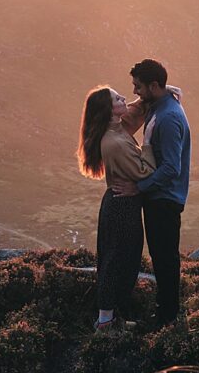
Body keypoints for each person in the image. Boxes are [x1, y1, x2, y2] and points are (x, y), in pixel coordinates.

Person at [77, 81, 183, 334]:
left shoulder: (117, 128)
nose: (124, 98)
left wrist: (161, 90)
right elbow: (147, 171)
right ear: (109, 110)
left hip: (121, 204)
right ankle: (105, 323)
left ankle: (114, 318)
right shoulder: (115, 142)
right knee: (117, 262)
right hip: (122, 206)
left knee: (123, 260)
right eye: (117, 99)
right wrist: (147, 141)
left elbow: (135, 110)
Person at [117, 58, 190, 329]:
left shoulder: (169, 118)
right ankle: (166, 314)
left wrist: (139, 187)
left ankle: (168, 318)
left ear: (154, 85)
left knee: (165, 259)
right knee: (162, 258)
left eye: (138, 87)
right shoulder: (160, 105)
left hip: (164, 198)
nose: (135, 92)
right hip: (159, 197)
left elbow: (172, 167)